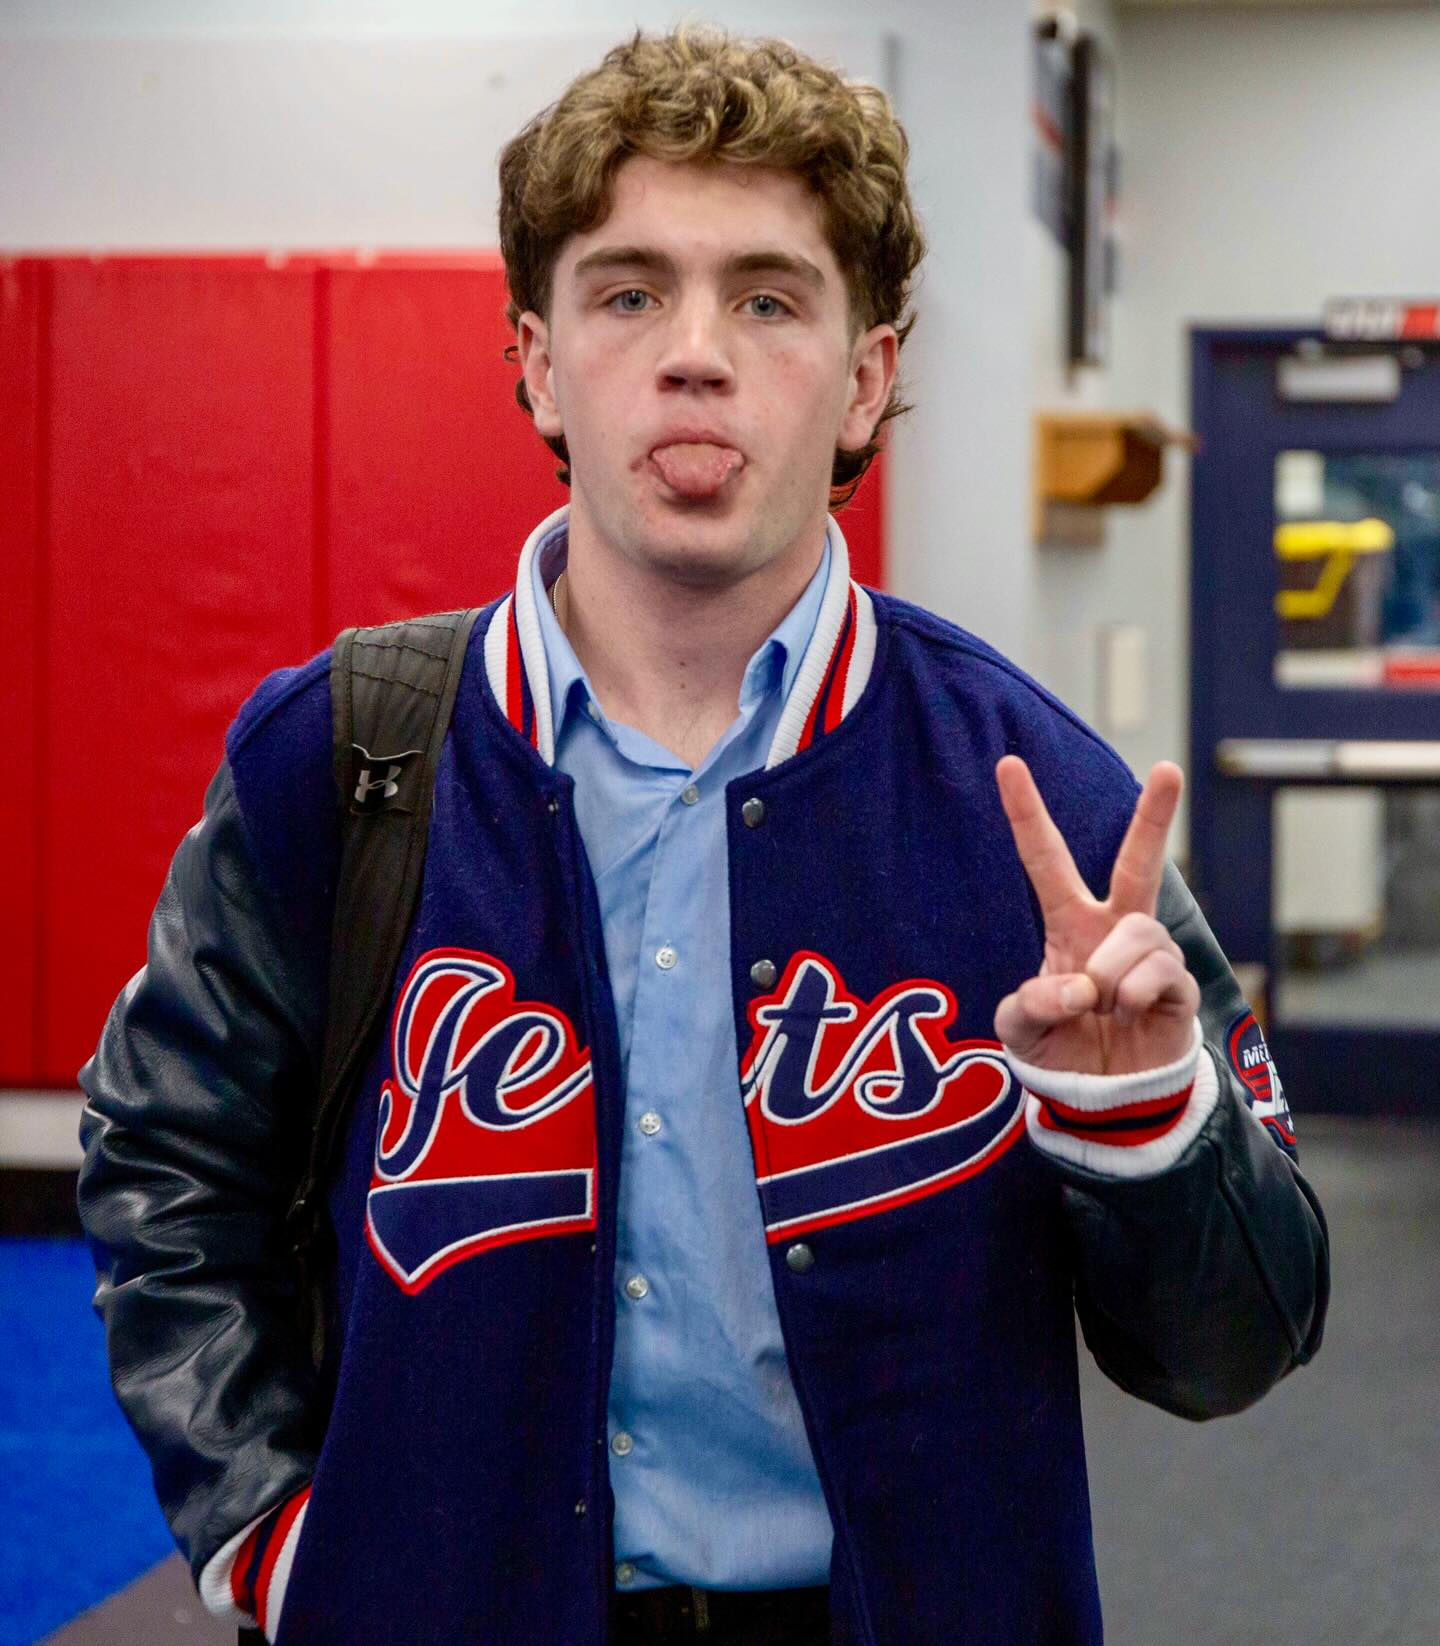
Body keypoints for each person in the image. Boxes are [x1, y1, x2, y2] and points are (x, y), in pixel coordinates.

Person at [77, 27, 1328, 1646]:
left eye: (766, 297)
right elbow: (167, 1161)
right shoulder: (344, 756)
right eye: (626, 292)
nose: (693, 355)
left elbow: (1238, 1341)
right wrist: (271, 1534)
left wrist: (1148, 1124)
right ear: (536, 360)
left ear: (866, 372)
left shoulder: (1048, 810)